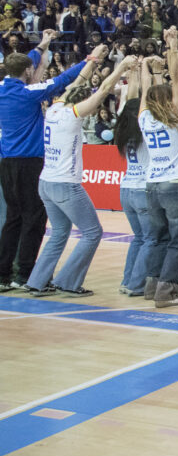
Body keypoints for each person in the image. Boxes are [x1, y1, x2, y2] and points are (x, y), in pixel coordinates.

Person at [26, 55, 135, 296]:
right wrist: (121, 68)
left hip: (46, 182)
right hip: (65, 184)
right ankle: (67, 282)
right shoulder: (73, 113)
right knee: (92, 232)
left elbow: (76, 84)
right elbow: (105, 88)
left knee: (59, 232)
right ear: (84, 102)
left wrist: (93, 60)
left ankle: (37, 281)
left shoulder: (55, 107)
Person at [0, 29, 84, 290]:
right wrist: (88, 61)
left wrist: (43, 44)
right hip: (30, 162)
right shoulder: (28, 93)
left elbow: (25, 62)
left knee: (13, 217)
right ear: (27, 72)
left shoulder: (3, 87)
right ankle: (24, 273)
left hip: (6, 163)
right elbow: (60, 81)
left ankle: (2, 274)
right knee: (34, 218)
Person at [139, 31, 178, 308]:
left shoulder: (144, 117)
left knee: (158, 237)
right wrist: (172, 46)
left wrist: (148, 69)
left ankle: (152, 286)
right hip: (174, 183)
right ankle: (168, 291)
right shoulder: (174, 114)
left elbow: (146, 91)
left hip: (151, 186)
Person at [115, 81, 152, 297]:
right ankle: (136, 284)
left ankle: (127, 280)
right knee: (149, 238)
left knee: (139, 238)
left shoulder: (123, 131)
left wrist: (132, 74)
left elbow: (128, 104)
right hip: (142, 189)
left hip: (126, 188)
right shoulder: (145, 128)